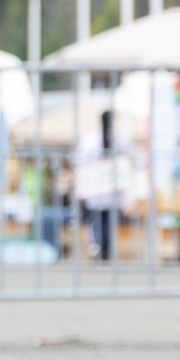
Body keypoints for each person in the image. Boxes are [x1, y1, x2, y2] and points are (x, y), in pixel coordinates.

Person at [72, 110, 124, 261]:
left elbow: (80, 162)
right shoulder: (117, 139)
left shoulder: (90, 140)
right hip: (103, 192)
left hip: (98, 192)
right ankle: (103, 250)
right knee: (106, 222)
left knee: (97, 223)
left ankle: (100, 249)